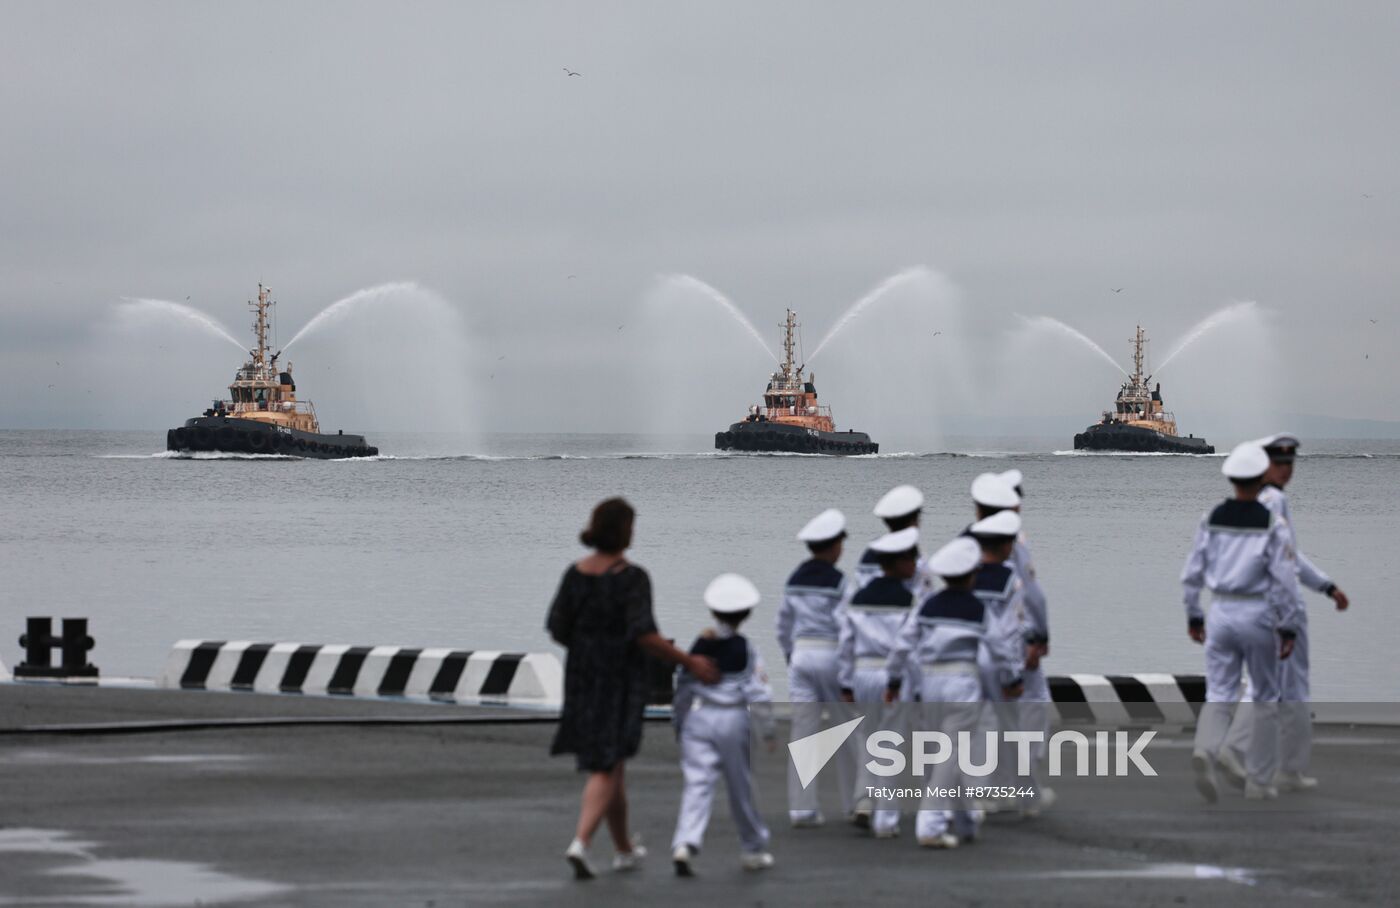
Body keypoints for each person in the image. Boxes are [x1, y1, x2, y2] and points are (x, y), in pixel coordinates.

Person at [547, 497, 720, 880]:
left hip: (580, 678)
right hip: (620, 681)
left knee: (613, 764)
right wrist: (690, 662)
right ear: (624, 530)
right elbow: (644, 635)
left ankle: (624, 849)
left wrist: (588, 648)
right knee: (607, 764)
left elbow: (558, 627)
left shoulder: (574, 574)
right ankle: (581, 842)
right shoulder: (631, 577)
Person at [1218, 433, 1350, 791]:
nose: (1286, 470)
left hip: (1254, 603)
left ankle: (1255, 755)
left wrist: (1325, 585)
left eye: (1289, 464)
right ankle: (1280, 765)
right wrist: (1316, 593)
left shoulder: (1255, 500)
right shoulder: (1274, 500)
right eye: (1280, 464)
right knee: (1290, 686)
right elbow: (1287, 560)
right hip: (1281, 604)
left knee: (1269, 684)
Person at [1181, 443, 1302, 802]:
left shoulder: (1210, 518)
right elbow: (1283, 581)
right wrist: (1289, 624)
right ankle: (1259, 780)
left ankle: (1206, 747)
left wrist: (1193, 613)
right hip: (1257, 611)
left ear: (1230, 478)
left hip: (1219, 611)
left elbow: (1191, 573)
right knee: (1265, 696)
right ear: (1261, 477)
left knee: (1219, 691)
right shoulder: (1272, 524)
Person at [886, 535, 1021, 848]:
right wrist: (1011, 678)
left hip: (930, 683)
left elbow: (902, 645)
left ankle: (966, 819)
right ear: (972, 574)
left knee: (943, 753)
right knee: (952, 754)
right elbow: (999, 649)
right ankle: (930, 824)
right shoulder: (977, 609)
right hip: (961, 682)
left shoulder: (927, 605)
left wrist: (893, 681)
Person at [671, 574, 777, 876]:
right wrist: (767, 729)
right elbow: (759, 692)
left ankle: (686, 841)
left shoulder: (698, 645)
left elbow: (683, 689)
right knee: (740, 786)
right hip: (732, 717)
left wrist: (679, 723)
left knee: (697, 783)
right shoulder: (747, 649)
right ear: (746, 614)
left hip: (699, 717)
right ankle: (752, 847)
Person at [838, 526, 921, 838]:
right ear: (898, 562)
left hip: (862, 673)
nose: (914, 564)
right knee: (890, 744)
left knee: (866, 738)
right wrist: (910, 683)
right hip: (890, 674)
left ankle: (864, 802)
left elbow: (846, 644)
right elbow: (909, 648)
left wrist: (845, 683)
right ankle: (886, 816)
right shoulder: (908, 600)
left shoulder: (858, 598)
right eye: (910, 559)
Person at [776, 508, 855, 828]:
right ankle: (857, 802)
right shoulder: (839, 582)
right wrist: (849, 672)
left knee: (803, 733)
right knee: (849, 730)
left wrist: (790, 656)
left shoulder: (794, 579)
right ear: (834, 545)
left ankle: (802, 809)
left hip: (801, 657)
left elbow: (782, 625)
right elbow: (847, 627)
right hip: (830, 654)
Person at [853, 485, 929, 593]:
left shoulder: (871, 552)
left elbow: (863, 584)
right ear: (914, 521)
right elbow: (924, 595)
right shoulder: (917, 556)